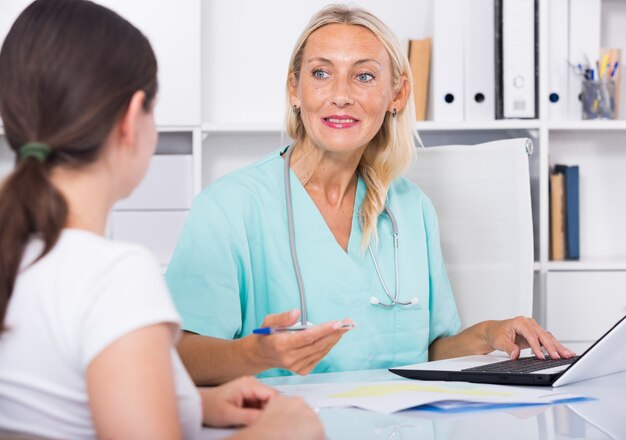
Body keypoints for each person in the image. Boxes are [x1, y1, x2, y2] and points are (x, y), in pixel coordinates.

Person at [165, 4, 575, 386]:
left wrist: (488, 333)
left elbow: (429, 352)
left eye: (364, 76)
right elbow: (177, 355)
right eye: (321, 73)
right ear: (295, 90)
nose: (340, 94)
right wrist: (254, 354)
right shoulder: (229, 207)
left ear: (396, 96)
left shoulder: (412, 210)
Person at [0, 1, 323, 439]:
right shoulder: (113, 277)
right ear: (133, 118)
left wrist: (194, 404)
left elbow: (61, 400)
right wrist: (284, 432)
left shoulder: (17, 256)